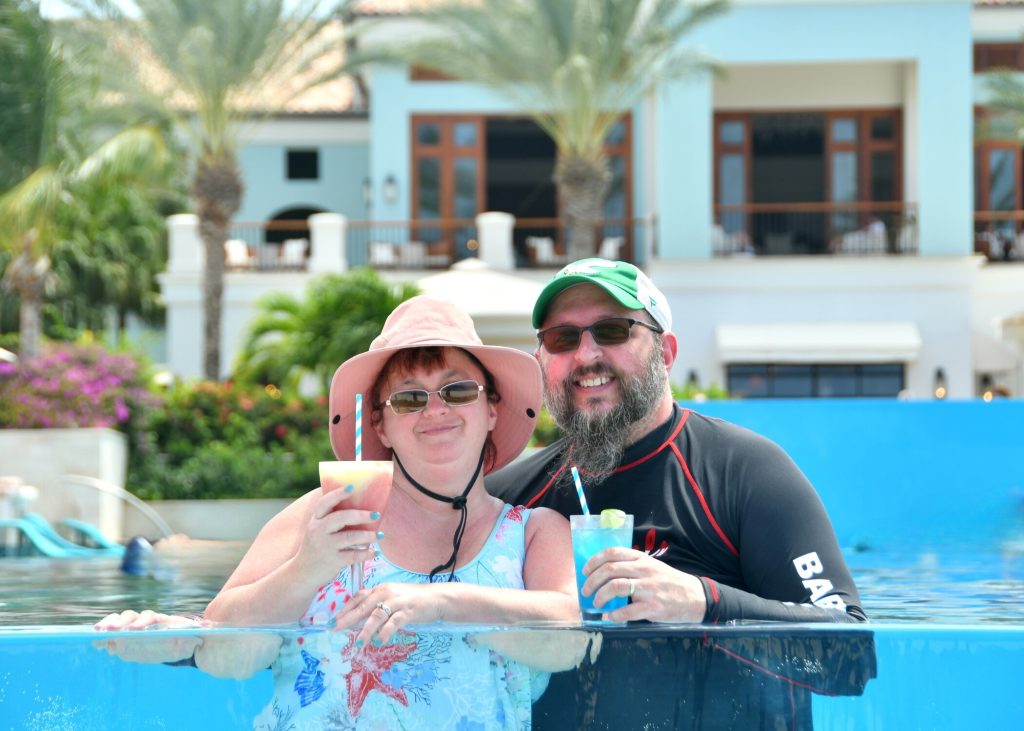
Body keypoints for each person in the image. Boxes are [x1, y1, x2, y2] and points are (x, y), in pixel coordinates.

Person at [98, 295, 579, 729]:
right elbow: (226, 656)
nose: (435, 410)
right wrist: (309, 567)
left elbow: (571, 639)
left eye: (457, 391)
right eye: (409, 398)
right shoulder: (324, 513)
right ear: (381, 426)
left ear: (492, 409)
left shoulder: (535, 531)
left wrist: (443, 603)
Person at [486, 258, 873, 729]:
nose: (587, 356)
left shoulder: (745, 472)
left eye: (612, 330)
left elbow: (852, 658)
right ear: (541, 362)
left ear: (665, 353)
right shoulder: (510, 497)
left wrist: (705, 603)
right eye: (562, 338)